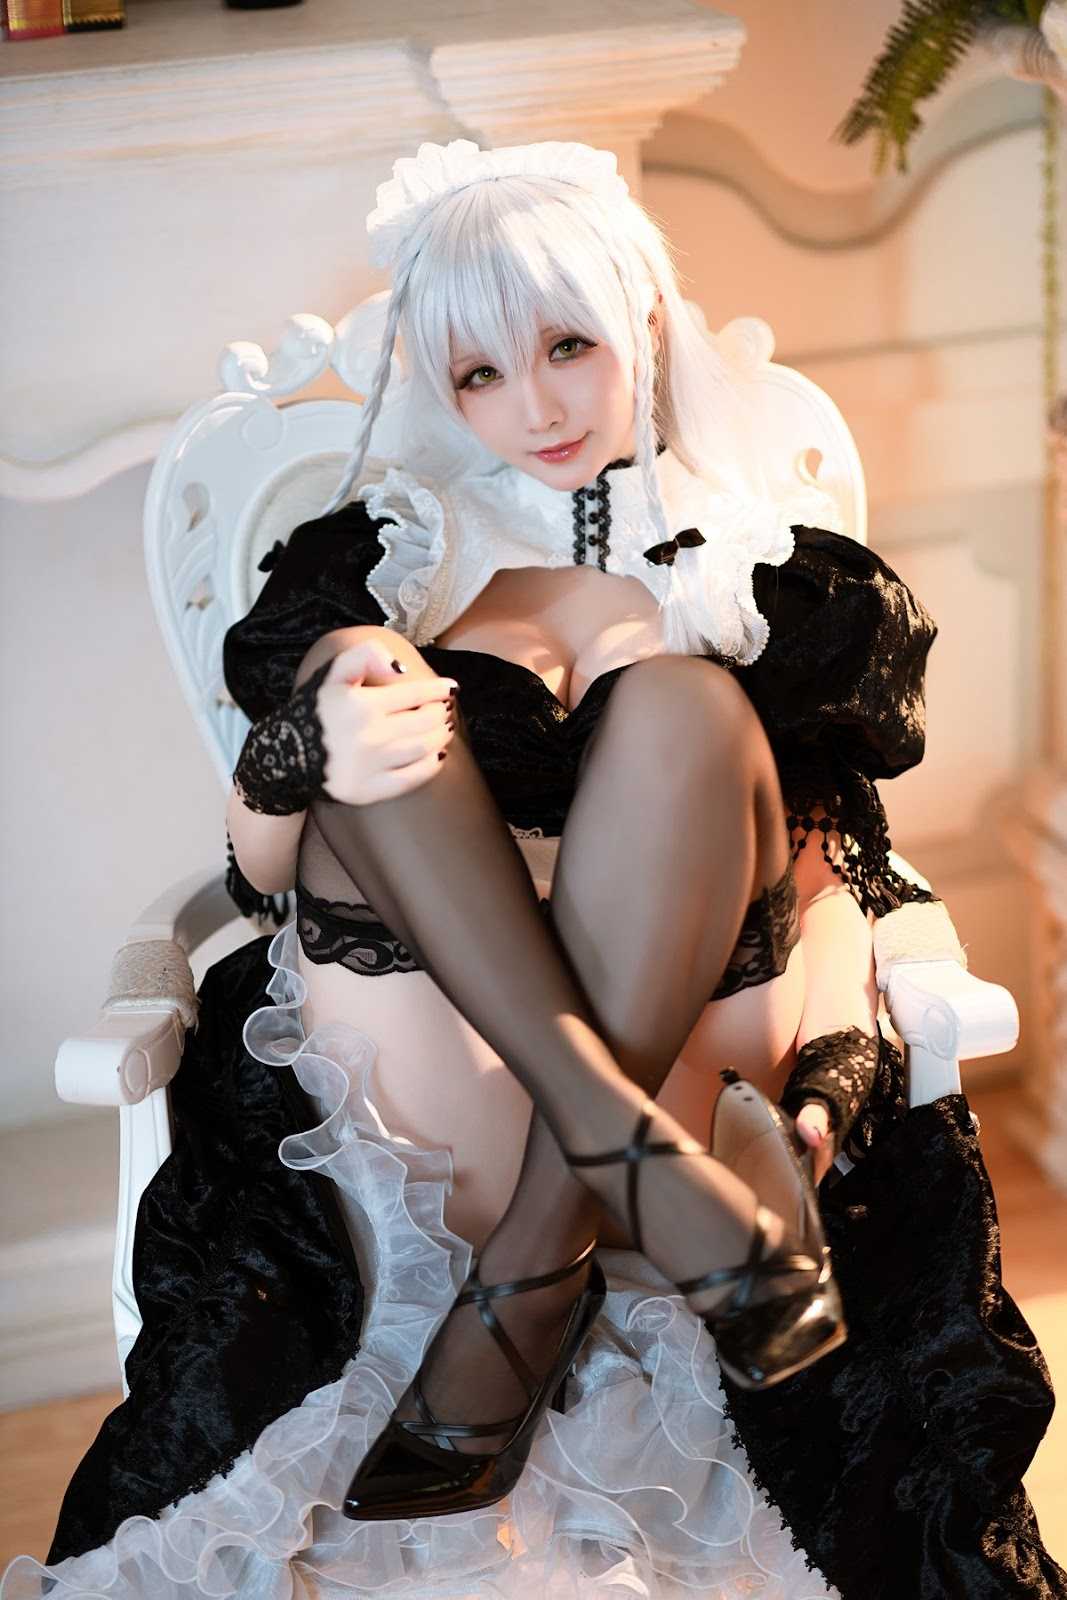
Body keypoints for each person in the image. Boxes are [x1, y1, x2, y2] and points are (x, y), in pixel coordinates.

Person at [6, 139, 1063, 1600]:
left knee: (684, 704)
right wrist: (304, 746)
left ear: (644, 318)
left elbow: (837, 874)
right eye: (480, 374)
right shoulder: (379, 558)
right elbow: (257, 880)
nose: (536, 407)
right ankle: (626, 1173)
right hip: (434, 1095)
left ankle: (535, 1262)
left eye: (569, 346)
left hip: (692, 1057)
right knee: (357, 665)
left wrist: (836, 1068)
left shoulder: (768, 571)